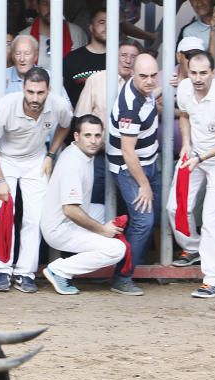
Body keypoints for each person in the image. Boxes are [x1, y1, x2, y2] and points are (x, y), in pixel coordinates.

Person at [0, 66, 72, 293]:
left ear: (48, 90)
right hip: (5, 159)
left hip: (36, 160)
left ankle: (25, 272)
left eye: (40, 93)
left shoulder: (58, 104)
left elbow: (66, 124)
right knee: (2, 215)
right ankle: (2, 269)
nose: (35, 98)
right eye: (30, 92)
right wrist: (0, 180)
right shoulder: (6, 105)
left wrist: (52, 154)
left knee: (35, 218)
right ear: (23, 88)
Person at [168, 51, 215, 298]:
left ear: (213, 73)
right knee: (174, 206)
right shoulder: (185, 88)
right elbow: (185, 115)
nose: (198, 78)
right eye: (193, 72)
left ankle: (214, 280)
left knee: (213, 218)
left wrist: (202, 157)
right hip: (195, 154)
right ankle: (196, 248)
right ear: (188, 72)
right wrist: (187, 144)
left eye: (203, 73)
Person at [40, 115, 126, 295]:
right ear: (76, 137)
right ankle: (60, 270)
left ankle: (89, 257)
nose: (93, 141)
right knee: (117, 250)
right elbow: (70, 210)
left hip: (66, 217)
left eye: (97, 136)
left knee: (105, 211)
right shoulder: (73, 163)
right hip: (60, 228)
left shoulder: (81, 153)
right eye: (88, 136)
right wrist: (102, 230)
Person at [106, 52, 160, 296]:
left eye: (153, 76)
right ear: (132, 75)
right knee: (143, 221)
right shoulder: (130, 104)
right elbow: (128, 152)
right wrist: (144, 185)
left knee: (149, 220)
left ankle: (130, 269)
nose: (149, 81)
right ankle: (122, 277)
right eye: (144, 77)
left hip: (146, 161)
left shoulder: (143, 90)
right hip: (130, 168)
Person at [76, 40, 140, 222]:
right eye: (123, 55)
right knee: (92, 203)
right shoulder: (96, 80)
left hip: (129, 158)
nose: (128, 60)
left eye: (133, 57)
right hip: (99, 157)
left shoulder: (141, 84)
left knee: (125, 208)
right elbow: (82, 117)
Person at [18, 0, 87, 72]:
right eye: (45, 4)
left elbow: (85, 66)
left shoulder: (77, 33)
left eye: (55, 3)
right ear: (37, 7)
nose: (51, 8)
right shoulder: (24, 36)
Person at [63, 8, 106, 107]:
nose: (107, 26)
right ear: (91, 27)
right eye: (102, 22)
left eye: (110, 22)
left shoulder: (119, 59)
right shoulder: (72, 59)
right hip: (79, 120)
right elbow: (64, 98)